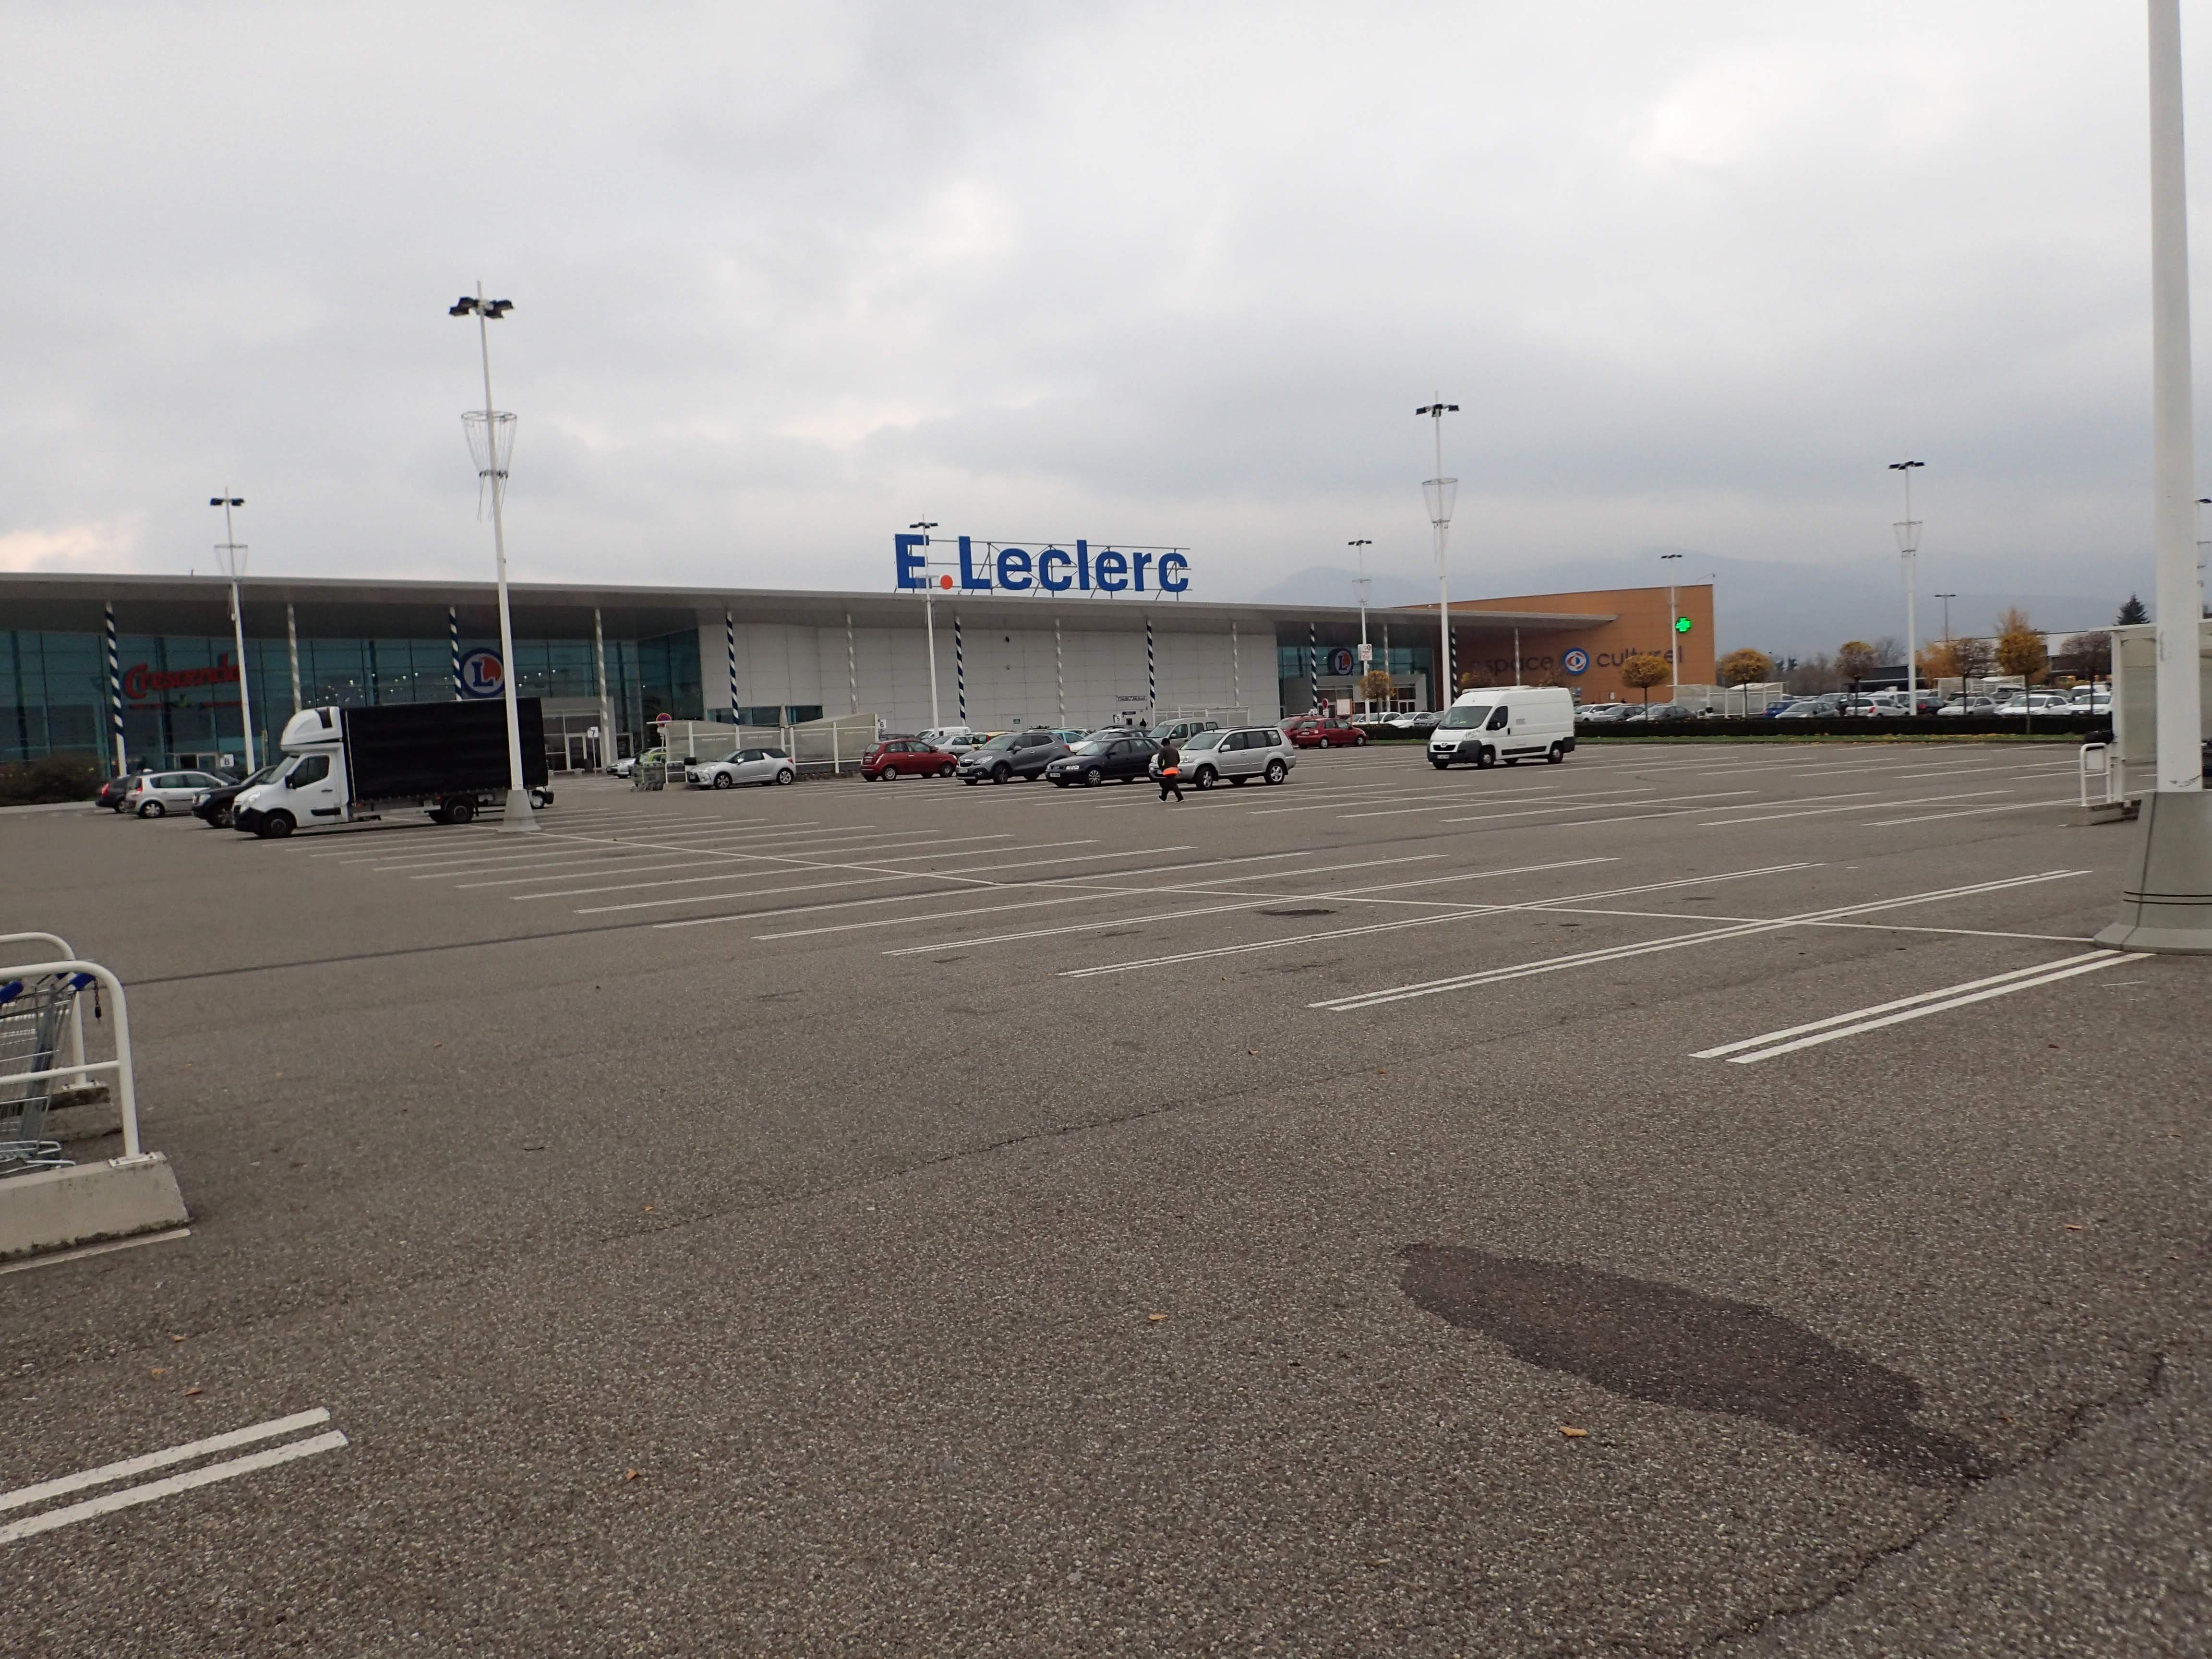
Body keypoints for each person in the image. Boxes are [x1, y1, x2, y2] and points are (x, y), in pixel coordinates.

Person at [1155, 737, 1182, 802]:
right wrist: (1175, 765)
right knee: (1168, 783)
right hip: (1175, 768)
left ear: (1164, 744)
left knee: (1173, 784)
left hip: (1168, 769)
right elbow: (1179, 760)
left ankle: (1180, 797)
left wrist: (1162, 768)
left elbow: (1160, 760)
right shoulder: (1175, 750)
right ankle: (1163, 797)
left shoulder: (1163, 750)